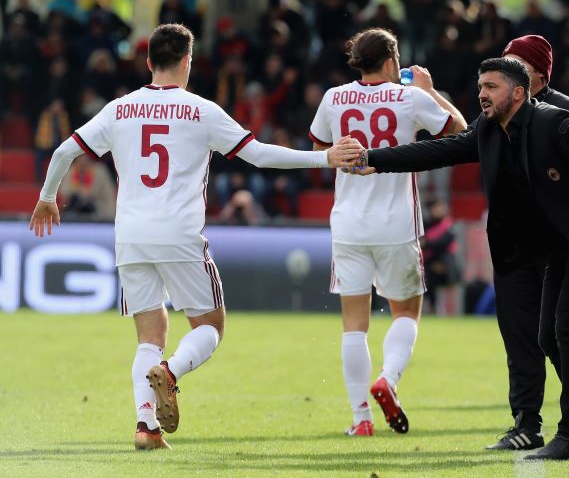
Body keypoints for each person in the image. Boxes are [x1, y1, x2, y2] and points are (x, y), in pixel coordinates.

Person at [29, 23, 361, 451]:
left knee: (149, 332)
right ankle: (171, 372)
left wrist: (46, 197)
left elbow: (63, 151)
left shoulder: (119, 109)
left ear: (148, 63)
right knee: (211, 325)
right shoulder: (201, 110)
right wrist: (325, 157)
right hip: (179, 234)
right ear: (188, 61)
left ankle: (145, 426)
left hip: (130, 234)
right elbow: (258, 156)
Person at [349, 57, 569, 460]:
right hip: (563, 247)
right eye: (480, 85)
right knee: (550, 336)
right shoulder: (489, 130)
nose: (482, 94)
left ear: (518, 93)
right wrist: (371, 159)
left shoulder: (556, 122)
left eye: (492, 87)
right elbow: (437, 151)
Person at [309, 27, 466, 436]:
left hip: (347, 223)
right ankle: (388, 380)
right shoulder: (410, 96)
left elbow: (318, 154)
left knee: (353, 324)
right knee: (406, 312)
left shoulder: (332, 98)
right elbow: (460, 130)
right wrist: (430, 90)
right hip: (397, 224)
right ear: (392, 60)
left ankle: (361, 419)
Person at [486, 34, 569, 452]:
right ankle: (525, 421)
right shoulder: (496, 113)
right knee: (520, 338)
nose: (504, 69)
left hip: (562, 246)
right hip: (514, 245)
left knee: (561, 337)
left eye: (514, 63)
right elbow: (460, 144)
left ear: (537, 74)